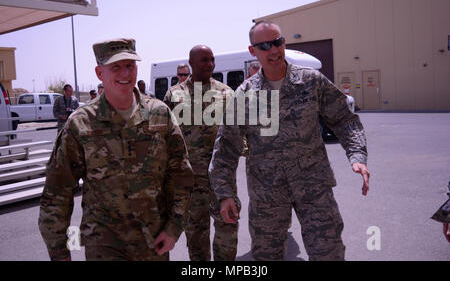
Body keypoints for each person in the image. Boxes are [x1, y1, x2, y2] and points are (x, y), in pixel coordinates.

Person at [209, 21, 370, 261]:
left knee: (329, 253)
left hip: (314, 188)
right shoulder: (244, 95)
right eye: (264, 46)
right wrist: (225, 194)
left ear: (284, 42)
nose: (273, 50)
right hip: (267, 197)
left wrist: (357, 156)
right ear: (253, 51)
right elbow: (226, 149)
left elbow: (345, 120)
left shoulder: (312, 81)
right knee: (267, 257)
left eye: (277, 42)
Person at [39, 38, 194, 261]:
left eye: (130, 65)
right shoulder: (80, 124)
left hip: (153, 243)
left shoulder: (159, 115)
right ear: (99, 73)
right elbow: (57, 193)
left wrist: (174, 228)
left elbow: (181, 176)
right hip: (104, 247)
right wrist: (59, 252)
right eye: (116, 67)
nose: (125, 73)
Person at [163, 45, 238, 261]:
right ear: (191, 63)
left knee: (227, 232)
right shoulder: (175, 94)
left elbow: (238, 132)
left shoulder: (226, 93)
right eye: (204, 60)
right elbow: (166, 138)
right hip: (191, 181)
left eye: (212, 59)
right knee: (196, 237)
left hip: (222, 180)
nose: (210, 64)